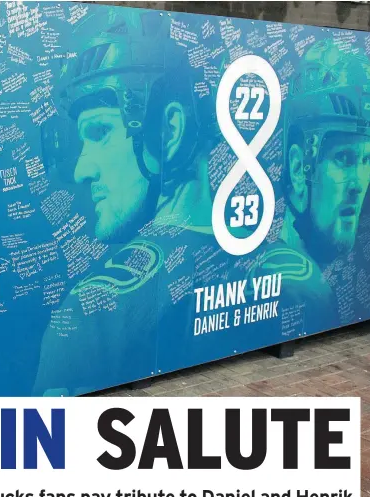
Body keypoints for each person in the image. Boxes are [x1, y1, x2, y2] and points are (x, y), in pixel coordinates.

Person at [33, 9, 226, 396]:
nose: (81, 170)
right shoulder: (291, 273)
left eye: (100, 131)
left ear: (168, 130)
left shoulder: (88, 315)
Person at [245, 39, 370, 334]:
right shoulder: (302, 287)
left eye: (367, 159)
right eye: (343, 158)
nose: (358, 184)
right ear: (298, 167)